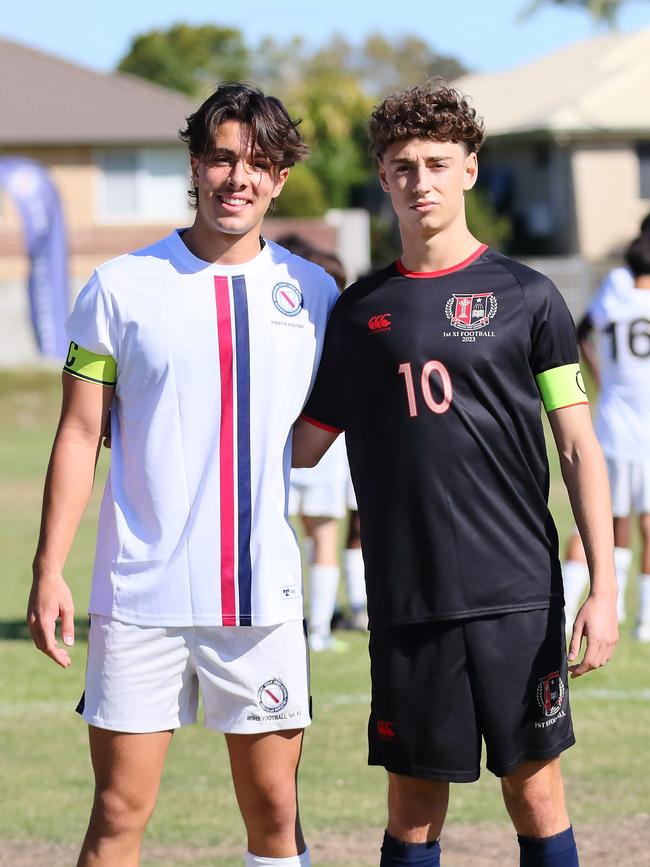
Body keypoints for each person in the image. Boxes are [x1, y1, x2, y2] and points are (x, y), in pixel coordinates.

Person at [292, 83, 618, 867]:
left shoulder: (530, 297)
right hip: (410, 596)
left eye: (438, 163)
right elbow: (303, 444)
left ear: (470, 170)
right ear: (382, 177)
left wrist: (605, 588)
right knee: (412, 807)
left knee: (536, 793)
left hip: (517, 590)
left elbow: (578, 445)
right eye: (403, 166)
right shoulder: (358, 311)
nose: (421, 181)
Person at [27, 82, 339, 867]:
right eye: (223, 158)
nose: (239, 178)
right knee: (118, 812)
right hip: (141, 596)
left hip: (260, 595)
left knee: (275, 814)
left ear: (280, 180)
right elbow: (77, 431)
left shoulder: (316, 295)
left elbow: (317, 437)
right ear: (196, 165)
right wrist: (48, 568)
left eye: (258, 164)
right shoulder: (118, 288)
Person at [278, 237, 367, 650]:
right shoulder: (346, 328)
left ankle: (297, 623)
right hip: (320, 442)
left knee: (287, 534)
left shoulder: (283, 320)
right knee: (323, 536)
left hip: (294, 441)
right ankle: (318, 630)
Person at [562, 230, 650, 641]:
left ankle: (593, 608)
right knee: (646, 526)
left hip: (613, 423)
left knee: (608, 523)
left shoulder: (612, 296)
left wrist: (597, 374)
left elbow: (580, 331)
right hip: (644, 427)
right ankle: (645, 621)